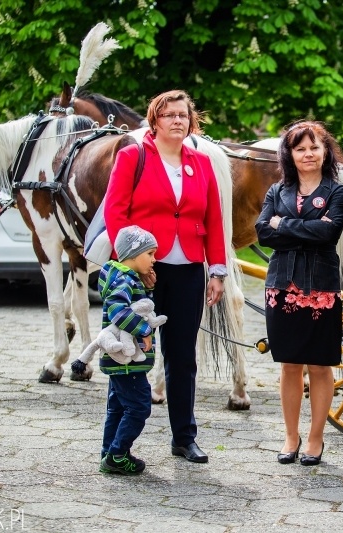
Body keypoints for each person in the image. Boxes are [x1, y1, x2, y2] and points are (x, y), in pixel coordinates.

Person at [105, 90, 227, 464]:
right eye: (169, 114)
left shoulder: (201, 163)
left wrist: (217, 270)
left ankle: (184, 438)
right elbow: (115, 212)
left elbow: (213, 219)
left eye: (183, 115)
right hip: (142, 274)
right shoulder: (133, 156)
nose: (177, 120)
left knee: (182, 357)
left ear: (191, 121)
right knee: (128, 353)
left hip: (188, 269)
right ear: (155, 120)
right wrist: (134, 263)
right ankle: (116, 444)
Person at [255, 121, 343, 466]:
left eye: (314, 147)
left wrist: (284, 224)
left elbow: (329, 234)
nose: (308, 154)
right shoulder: (276, 190)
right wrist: (307, 228)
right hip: (282, 286)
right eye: (300, 148)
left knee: (320, 365)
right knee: (289, 364)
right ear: (289, 154)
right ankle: (290, 436)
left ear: (325, 152)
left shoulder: (337, 192)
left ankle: (315, 438)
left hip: (320, 286)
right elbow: (263, 233)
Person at [73, 226, 158, 475]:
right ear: (133, 253)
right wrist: (143, 330)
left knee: (117, 408)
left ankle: (109, 452)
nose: (154, 259)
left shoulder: (125, 277)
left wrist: (148, 288)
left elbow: (138, 305)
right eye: (150, 254)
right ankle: (117, 454)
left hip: (120, 361)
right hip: (126, 360)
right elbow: (118, 311)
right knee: (139, 407)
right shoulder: (124, 280)